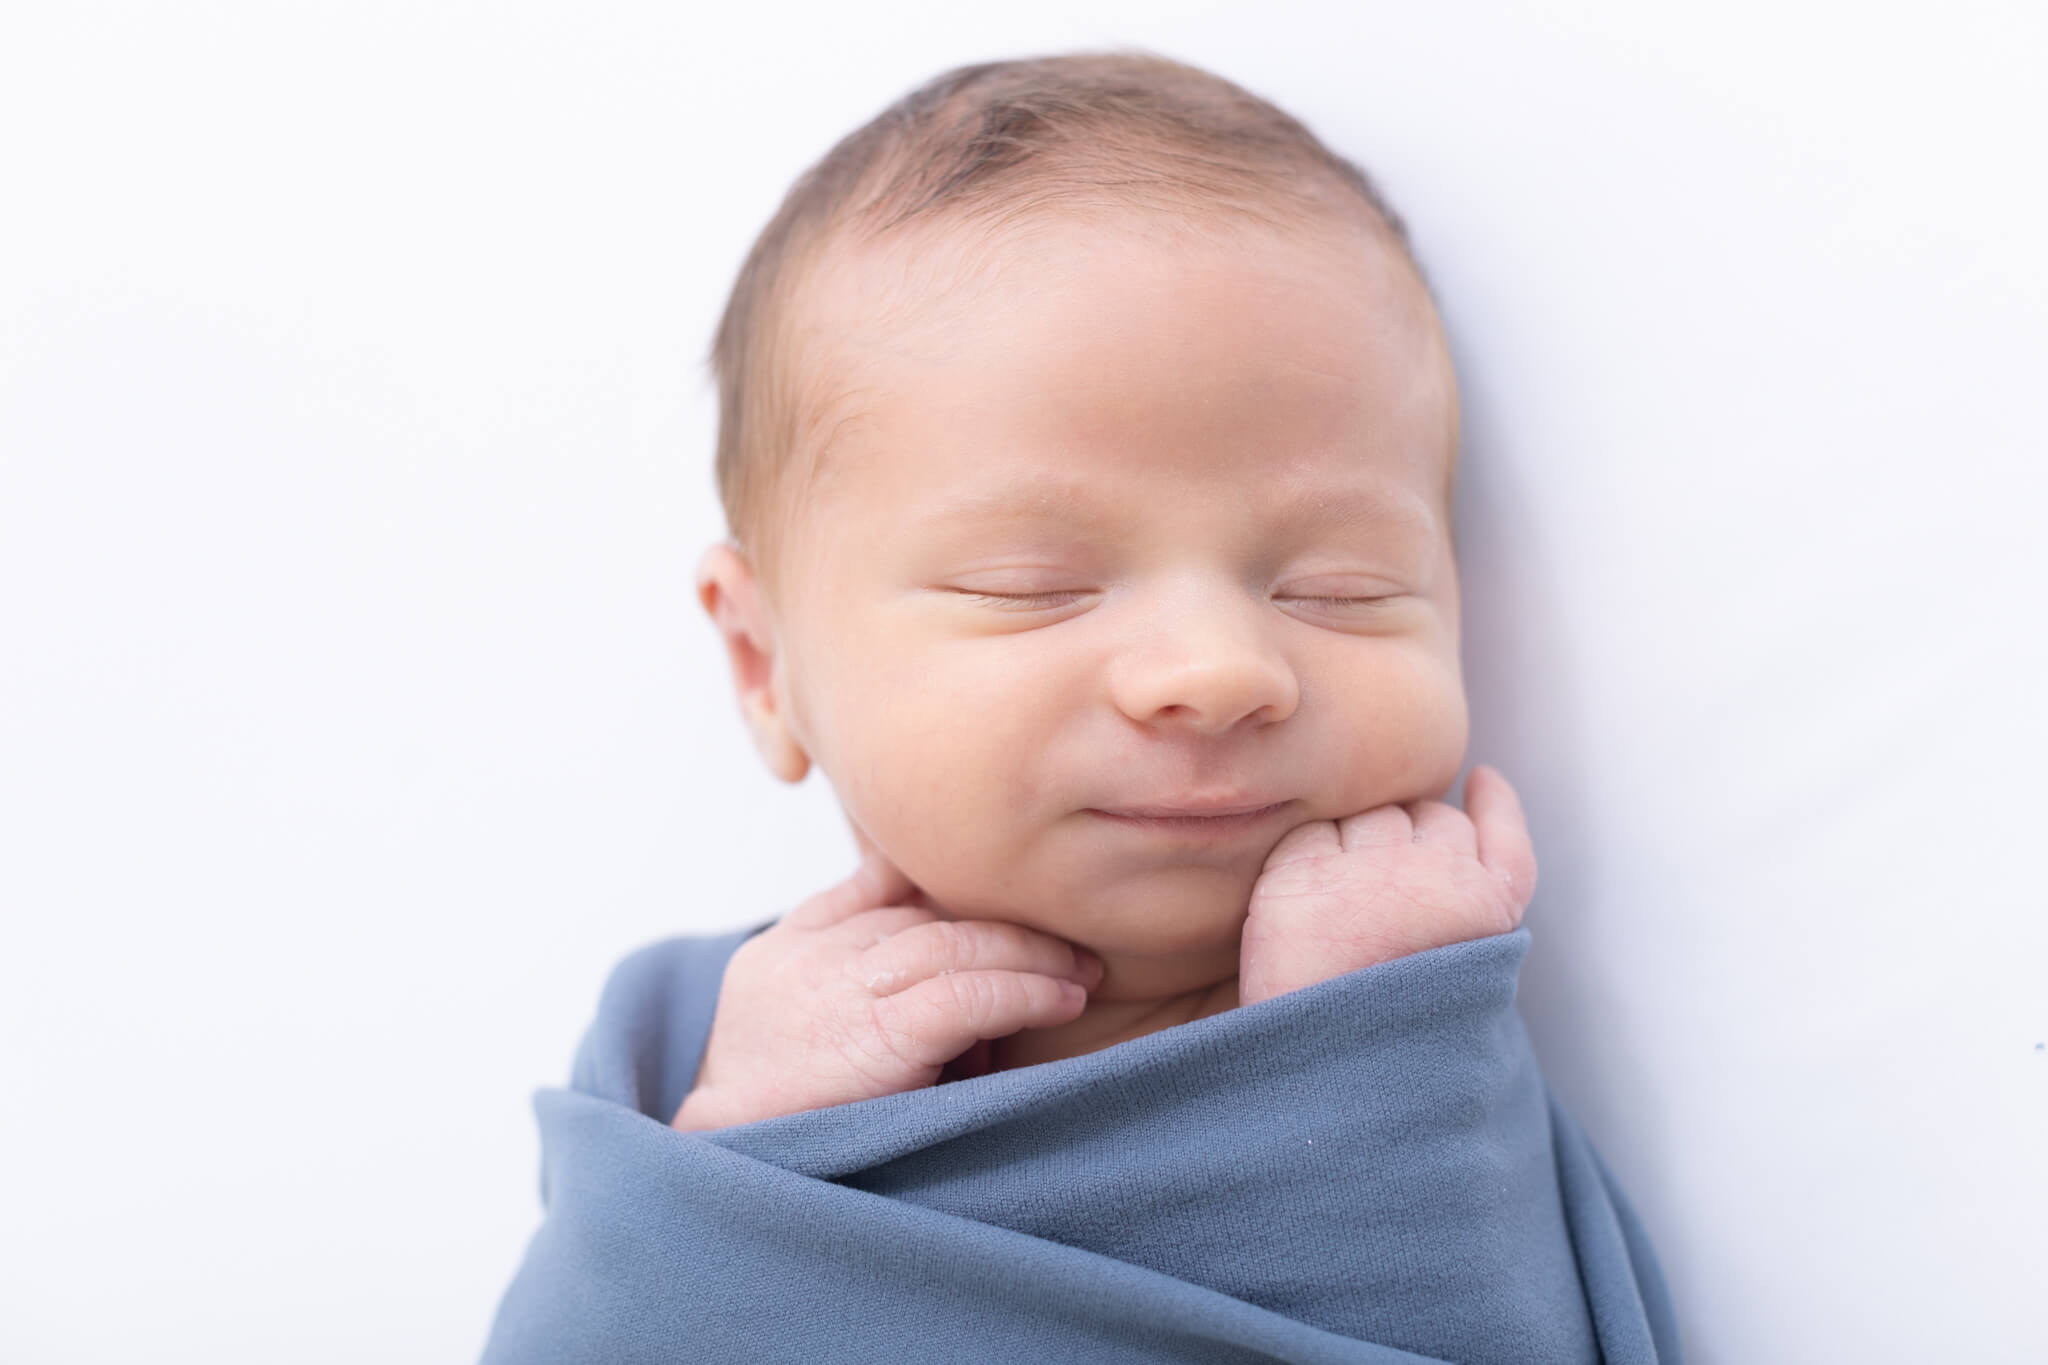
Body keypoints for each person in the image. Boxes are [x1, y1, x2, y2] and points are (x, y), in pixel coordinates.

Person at [481, 51, 1679, 1364]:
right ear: (768, 666)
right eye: (1034, 584)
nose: (1218, 668)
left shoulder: (1419, 1003)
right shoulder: (691, 1038)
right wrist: (735, 1137)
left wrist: (1362, 1058)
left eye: (1342, 588)